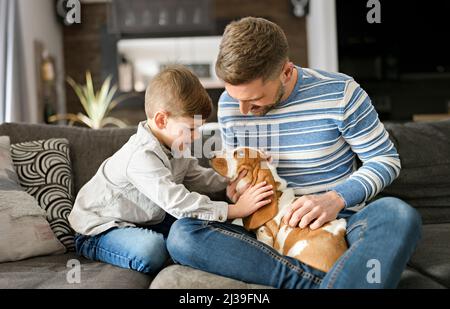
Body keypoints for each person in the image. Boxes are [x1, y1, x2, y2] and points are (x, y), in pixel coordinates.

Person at [166, 17, 422, 288]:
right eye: (236, 98)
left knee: (398, 215)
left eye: (254, 100)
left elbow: (385, 160)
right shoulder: (231, 105)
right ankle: (317, 282)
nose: (241, 110)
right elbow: (238, 169)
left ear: (286, 72)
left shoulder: (340, 93)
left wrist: (335, 199)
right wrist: (236, 189)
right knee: (184, 234)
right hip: (265, 228)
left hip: (339, 222)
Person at [68, 65, 274, 274]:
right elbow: (176, 201)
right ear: (161, 120)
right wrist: (234, 210)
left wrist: (236, 177)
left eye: (198, 128)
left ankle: (265, 252)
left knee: (210, 226)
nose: (196, 136)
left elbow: (198, 177)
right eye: (191, 129)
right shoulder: (141, 156)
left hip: (148, 220)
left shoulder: (176, 145)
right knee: (152, 250)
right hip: (100, 228)